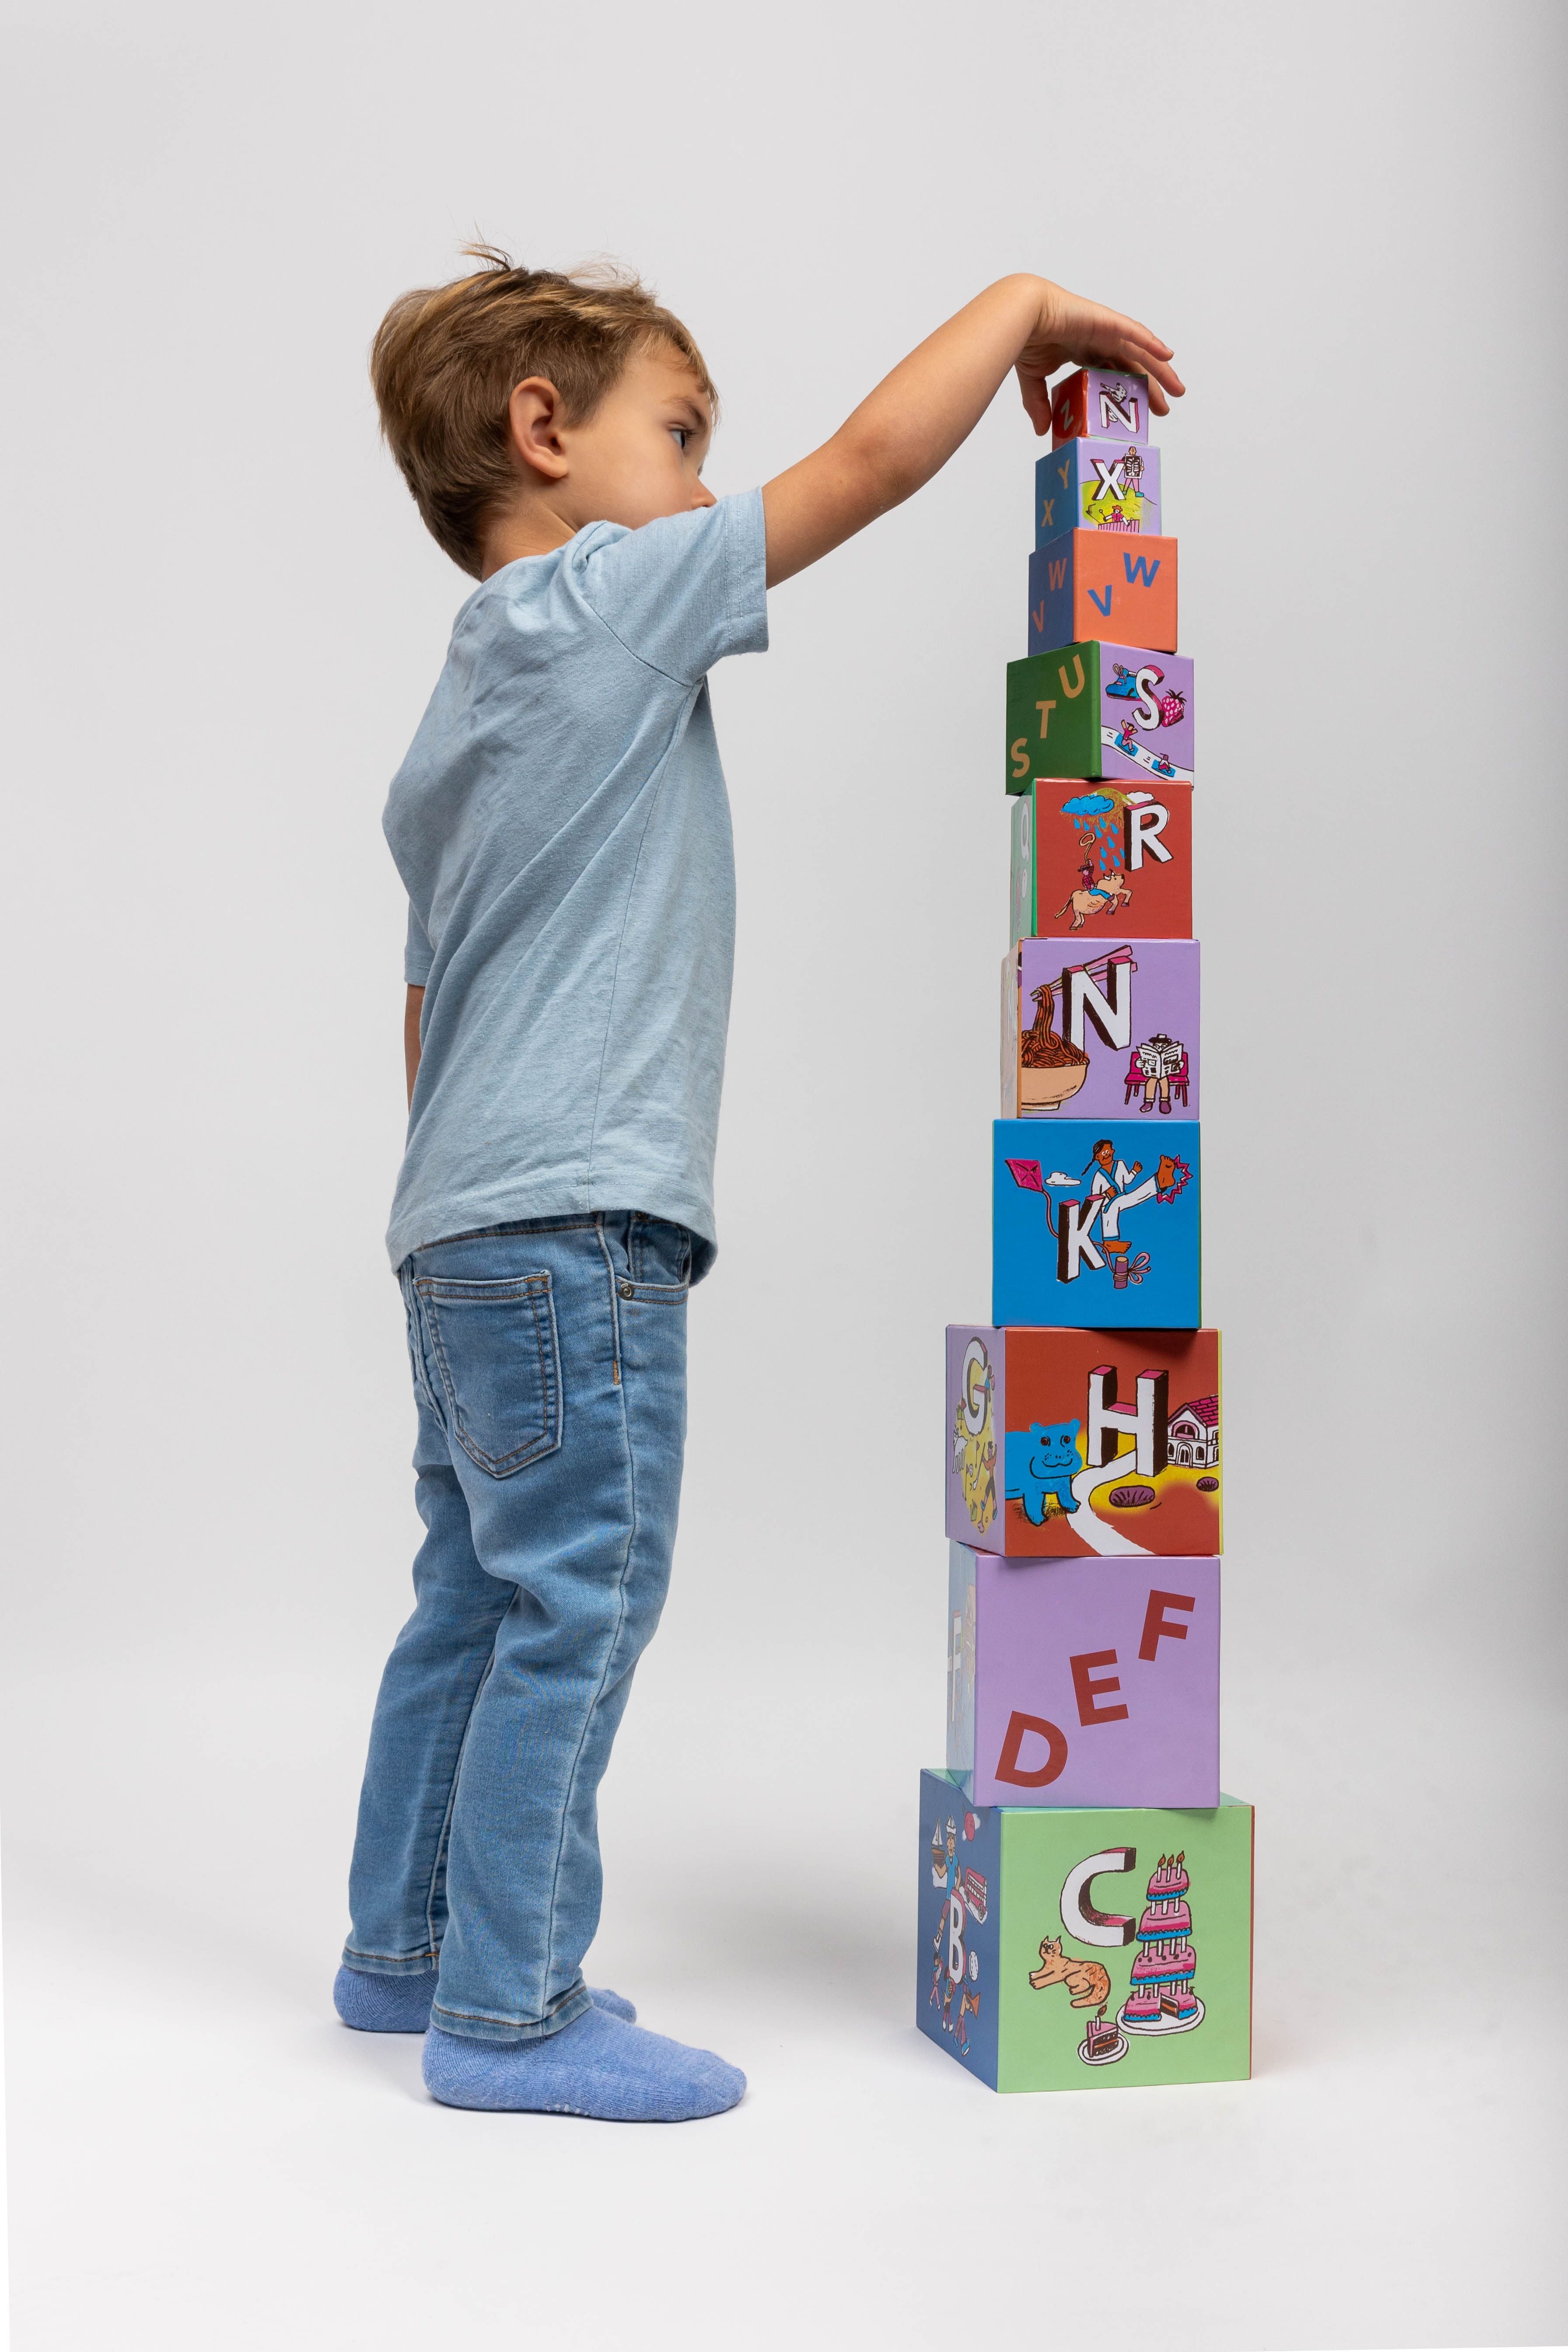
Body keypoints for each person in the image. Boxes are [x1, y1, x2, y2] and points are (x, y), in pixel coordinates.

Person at [334, 250, 1182, 2121]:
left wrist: (445, 1211)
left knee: (470, 1593)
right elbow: (871, 464)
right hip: (576, 1227)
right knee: (583, 1601)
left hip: (457, 1224)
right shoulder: (610, 599)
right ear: (544, 437)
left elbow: (424, 1003)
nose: (710, 481)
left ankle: (400, 1949)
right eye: (684, 433)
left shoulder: (455, 717)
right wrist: (1026, 308)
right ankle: (512, 2005)